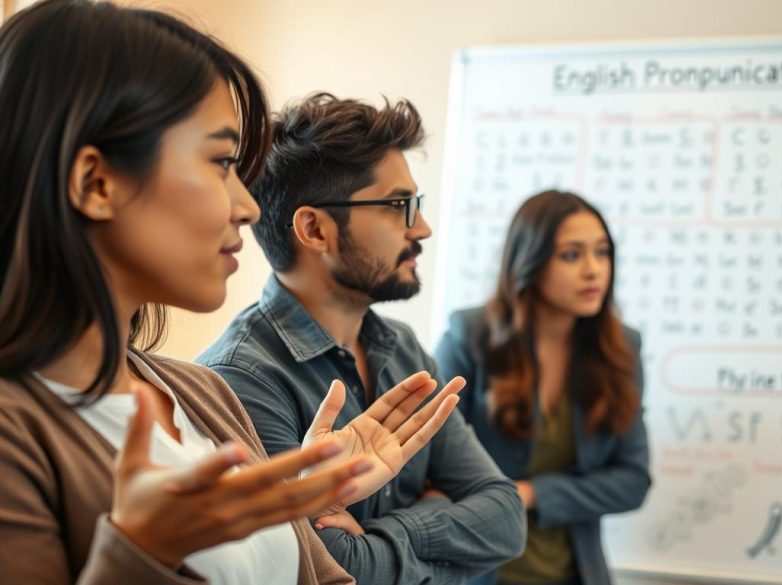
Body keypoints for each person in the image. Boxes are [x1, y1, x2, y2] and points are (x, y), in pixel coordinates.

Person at [0, 2, 461, 583]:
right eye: (221, 162)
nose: (246, 206)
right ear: (97, 183)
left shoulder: (202, 391)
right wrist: (141, 552)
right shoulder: (14, 430)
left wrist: (302, 501)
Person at [197, 93, 526, 584]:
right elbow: (329, 568)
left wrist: (382, 536)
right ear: (315, 229)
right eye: (399, 206)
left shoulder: (403, 348)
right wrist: (439, 516)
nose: (424, 228)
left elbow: (505, 518)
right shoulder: (240, 378)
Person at [435, 190, 652, 585]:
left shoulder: (621, 348)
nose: (593, 270)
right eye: (571, 255)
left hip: (577, 574)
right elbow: (432, 467)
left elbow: (633, 481)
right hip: (481, 574)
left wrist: (532, 494)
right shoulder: (468, 337)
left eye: (602, 253)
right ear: (529, 262)